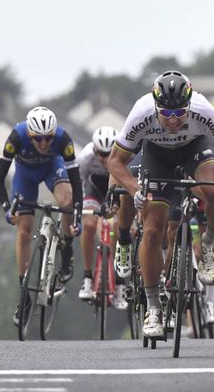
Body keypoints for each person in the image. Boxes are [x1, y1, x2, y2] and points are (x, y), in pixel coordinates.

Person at [108, 70, 214, 338]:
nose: (172, 120)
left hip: (195, 148)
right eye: (166, 114)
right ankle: (154, 307)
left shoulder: (203, 110)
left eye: (179, 113)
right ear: (155, 107)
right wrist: (134, 189)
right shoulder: (141, 113)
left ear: (189, 106)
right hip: (157, 156)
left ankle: (209, 243)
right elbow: (115, 162)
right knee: (153, 229)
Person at [0, 106, 83, 326]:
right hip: (25, 175)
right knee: (23, 232)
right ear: (30, 135)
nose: (44, 143)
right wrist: (7, 208)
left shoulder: (63, 139)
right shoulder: (15, 137)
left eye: (48, 138)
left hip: (54, 168)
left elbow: (76, 182)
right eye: (38, 139)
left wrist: (77, 216)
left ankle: (66, 247)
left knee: (66, 201)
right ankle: (24, 293)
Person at [76, 126, 129, 309]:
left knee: (119, 228)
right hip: (94, 190)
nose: (105, 159)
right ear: (94, 150)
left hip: (116, 189)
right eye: (101, 154)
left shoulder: (124, 155)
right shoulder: (85, 158)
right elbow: (78, 185)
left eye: (109, 154)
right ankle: (87, 277)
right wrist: (79, 210)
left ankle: (121, 282)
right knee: (89, 225)